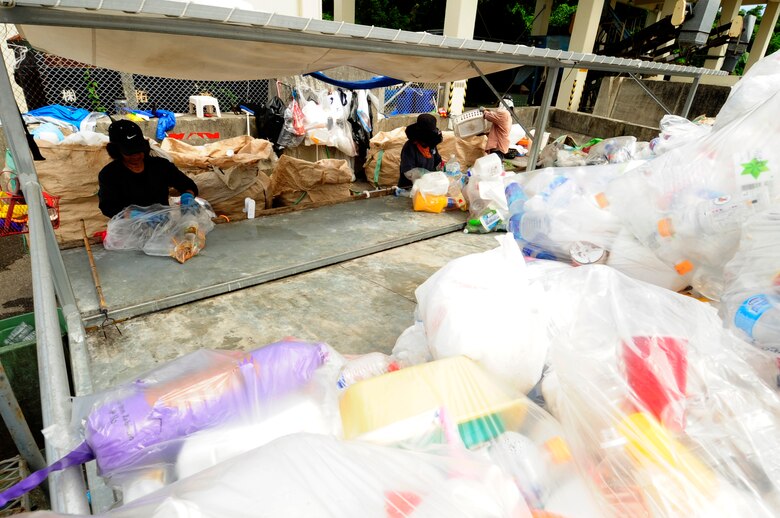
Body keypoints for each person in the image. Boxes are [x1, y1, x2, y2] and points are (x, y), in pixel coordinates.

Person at [98, 120, 199, 218]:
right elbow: (108, 207)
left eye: (139, 150)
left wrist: (188, 197)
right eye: (130, 153)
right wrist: (135, 216)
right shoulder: (109, 174)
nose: (136, 156)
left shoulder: (160, 165)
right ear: (116, 151)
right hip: (130, 228)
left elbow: (187, 185)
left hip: (163, 223)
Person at [398, 113, 443, 188]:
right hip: (410, 188)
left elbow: (438, 162)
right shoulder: (409, 147)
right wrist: (426, 176)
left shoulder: (431, 146)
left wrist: (443, 168)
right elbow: (409, 172)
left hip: (428, 186)